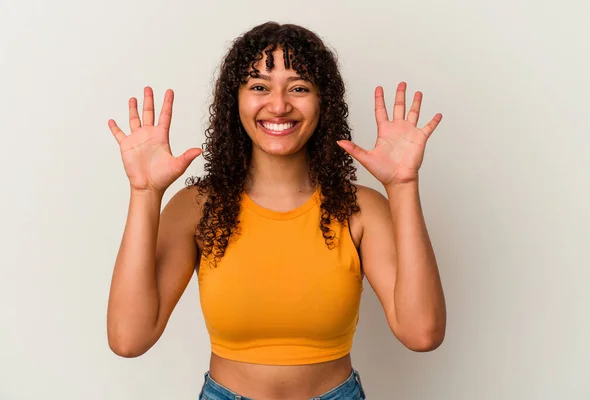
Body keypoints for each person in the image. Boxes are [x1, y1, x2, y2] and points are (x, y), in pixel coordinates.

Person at [106, 21, 446, 400]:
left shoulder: (359, 209)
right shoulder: (198, 207)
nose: (280, 104)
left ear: (323, 102)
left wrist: (402, 187)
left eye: (299, 88)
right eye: (259, 87)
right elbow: (128, 339)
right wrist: (144, 193)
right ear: (234, 101)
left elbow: (422, 333)